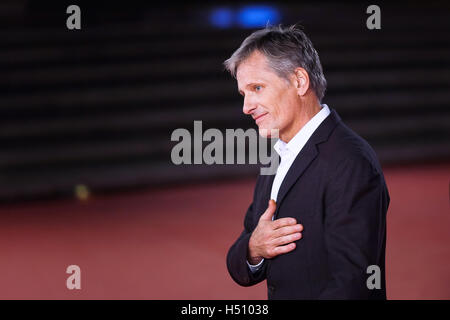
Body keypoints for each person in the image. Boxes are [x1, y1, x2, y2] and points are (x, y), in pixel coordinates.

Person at [224, 25, 390, 299]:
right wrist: (254, 248)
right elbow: (241, 254)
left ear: (300, 81)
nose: (246, 106)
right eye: (244, 94)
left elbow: (353, 285)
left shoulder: (351, 161)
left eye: (257, 88)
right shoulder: (276, 155)